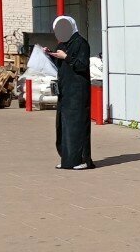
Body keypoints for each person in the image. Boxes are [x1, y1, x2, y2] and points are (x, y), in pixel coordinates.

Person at [47, 16, 95, 170]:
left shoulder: (81, 43)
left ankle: (82, 159)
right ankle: (67, 159)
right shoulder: (62, 44)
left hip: (78, 92)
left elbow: (82, 65)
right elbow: (60, 66)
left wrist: (66, 57)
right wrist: (49, 54)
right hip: (65, 90)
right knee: (63, 125)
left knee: (77, 126)